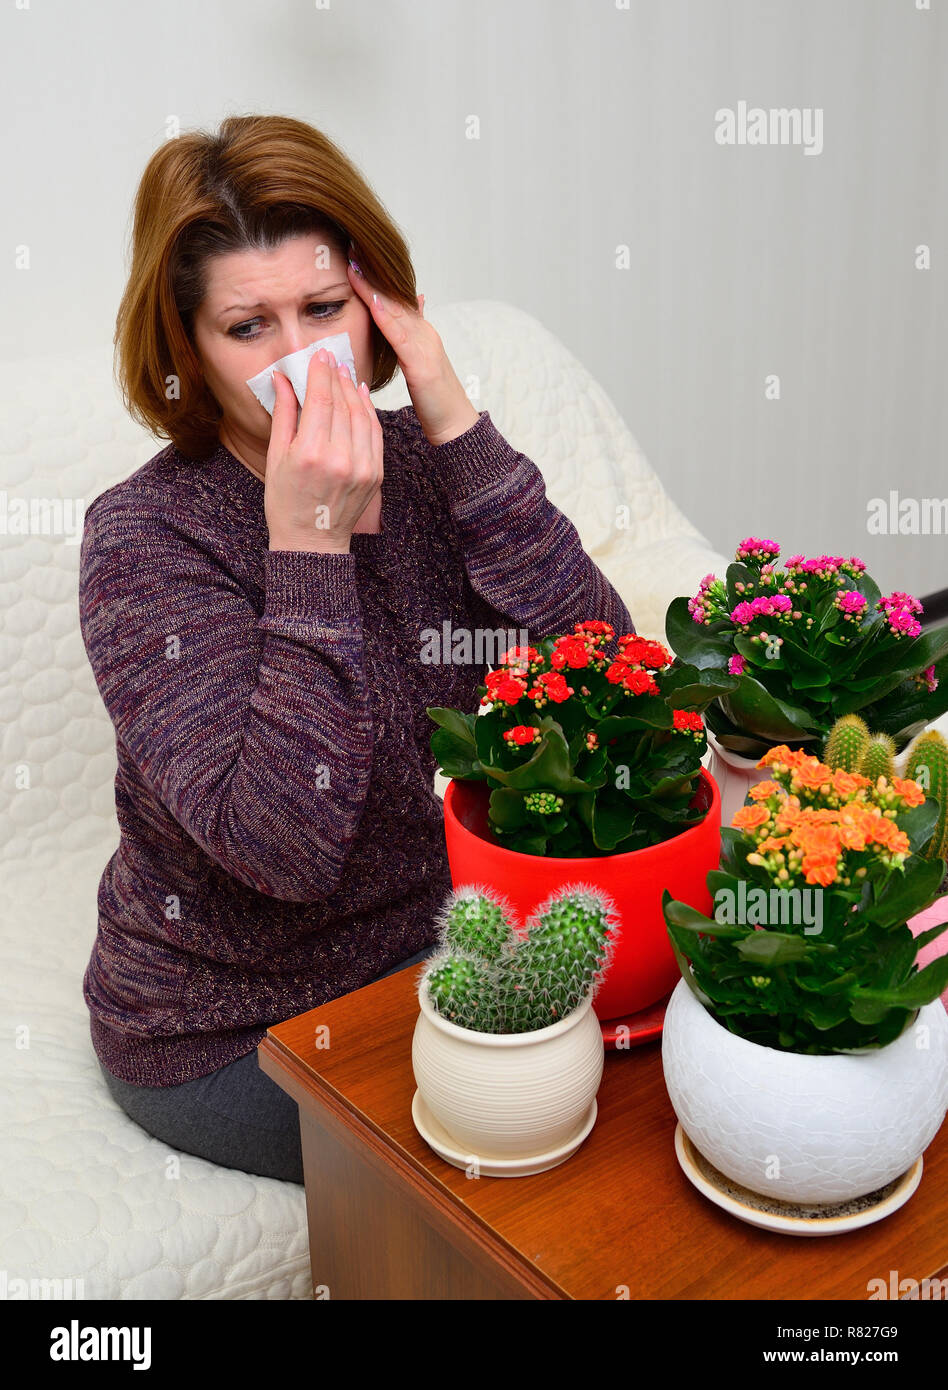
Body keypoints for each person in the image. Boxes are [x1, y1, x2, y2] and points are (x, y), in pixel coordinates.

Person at [80, 114, 636, 1185]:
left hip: (451, 951)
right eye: (249, 327)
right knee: (525, 1154)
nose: (301, 358)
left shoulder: (432, 469)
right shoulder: (142, 541)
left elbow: (612, 685)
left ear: (377, 304)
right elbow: (285, 849)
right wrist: (311, 547)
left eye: (325, 309)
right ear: (186, 349)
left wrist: (454, 419)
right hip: (235, 1026)